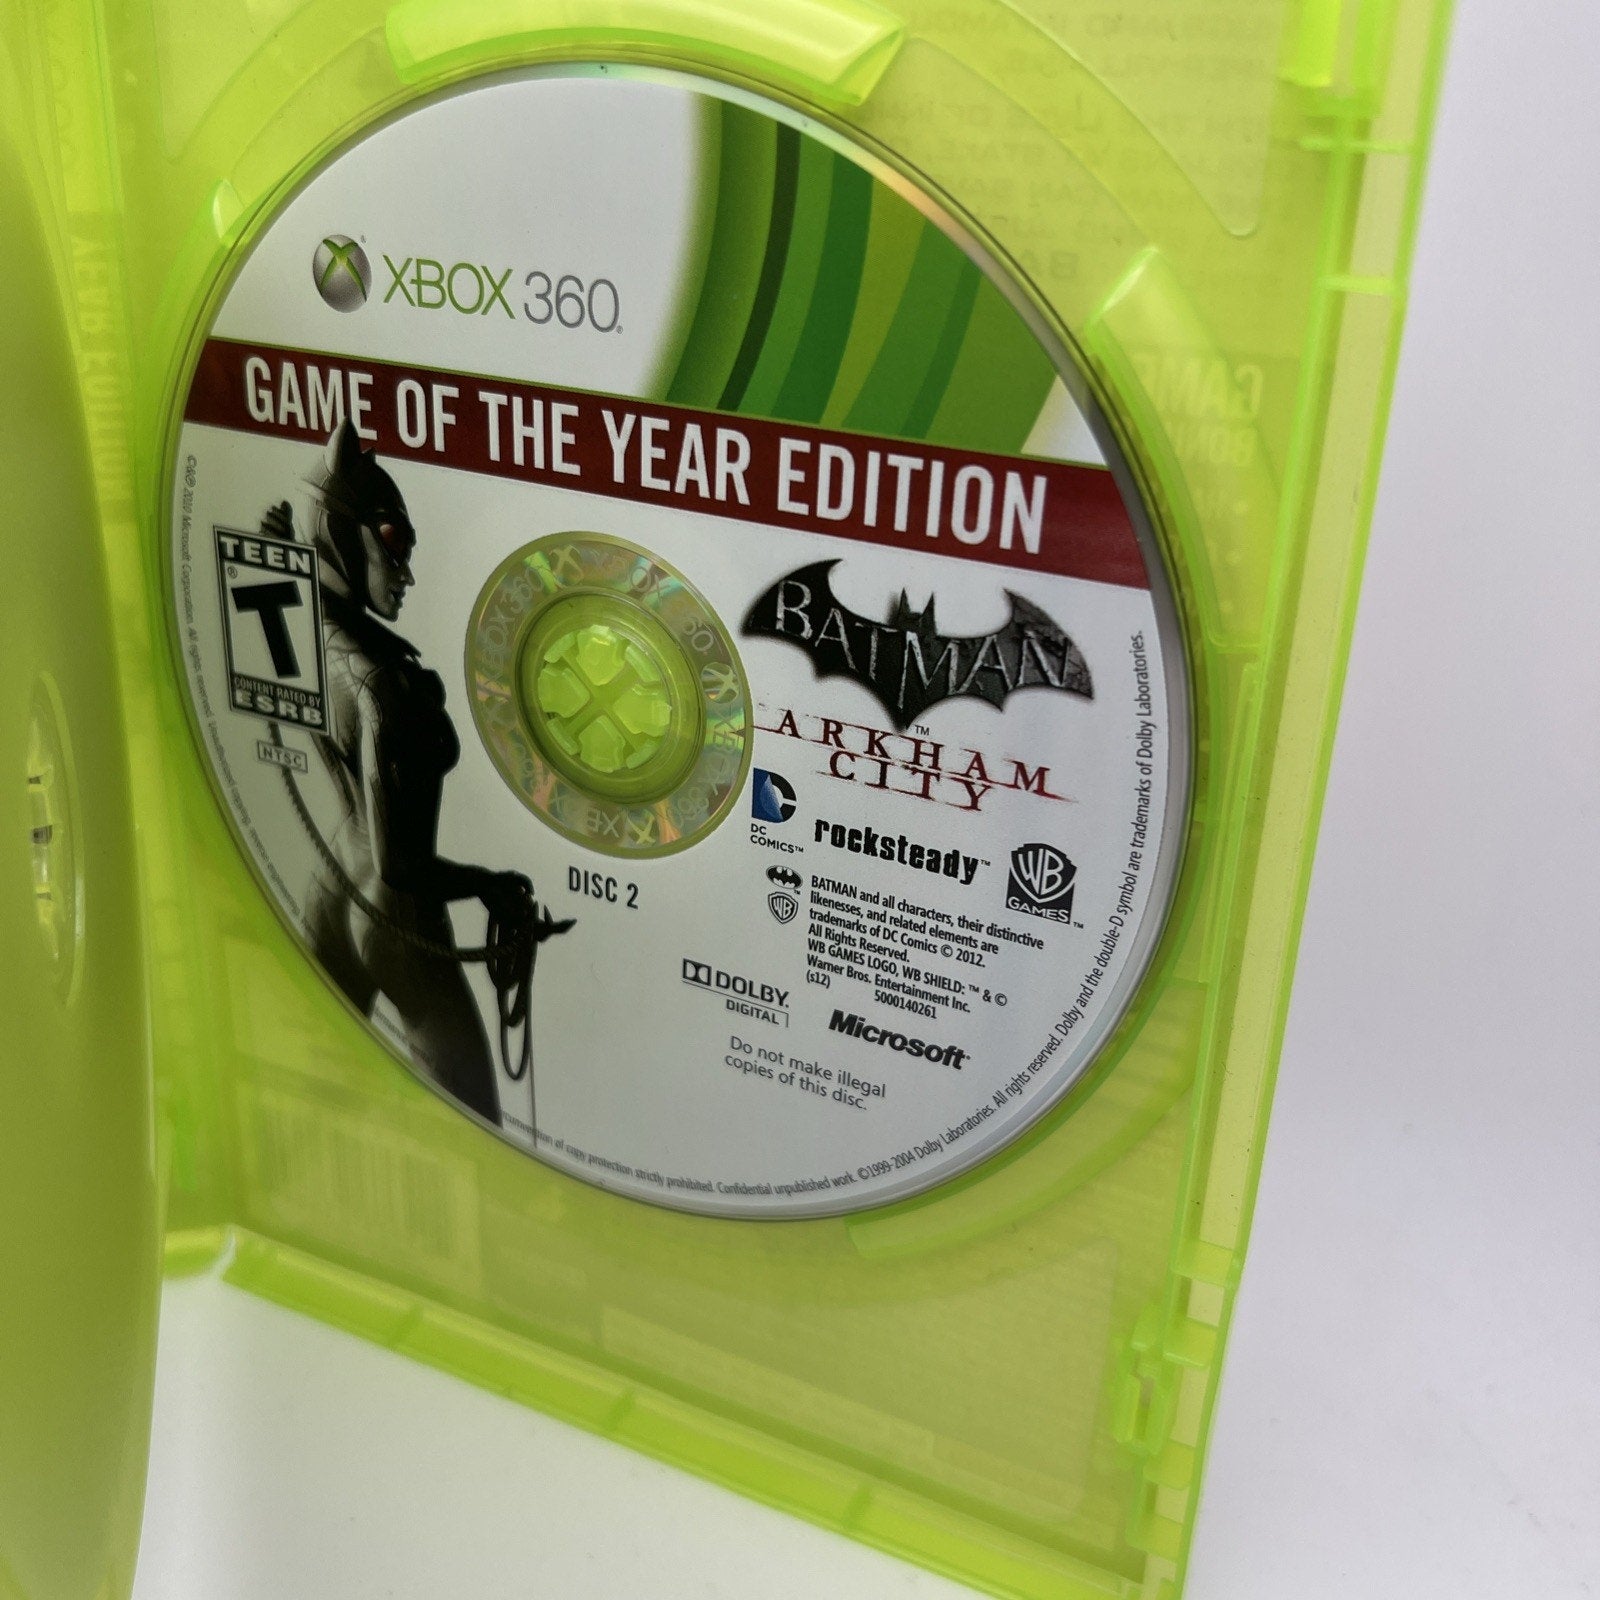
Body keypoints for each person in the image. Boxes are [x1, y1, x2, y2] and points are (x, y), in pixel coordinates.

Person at [263, 420, 565, 1127]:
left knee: (301, 1100)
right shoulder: (387, 687)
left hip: (331, 883)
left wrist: (286, 556)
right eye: (393, 541)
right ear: (343, 534)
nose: (404, 571)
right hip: (394, 920)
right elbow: (400, 866)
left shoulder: (306, 625)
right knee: (476, 1131)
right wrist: (490, 885)